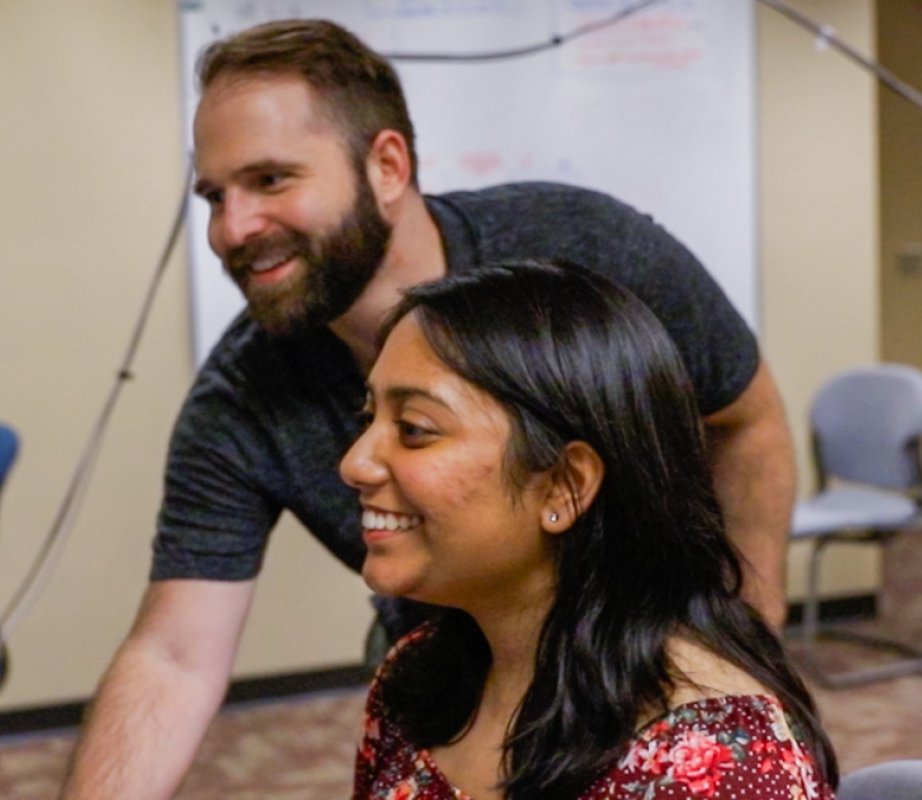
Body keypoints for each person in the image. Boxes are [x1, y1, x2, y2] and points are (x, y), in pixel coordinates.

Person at [61, 19, 797, 799]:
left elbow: (746, 421)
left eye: (271, 180)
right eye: (214, 195)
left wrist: (747, 648)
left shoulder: (588, 252)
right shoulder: (246, 398)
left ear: (386, 165)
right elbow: (174, 654)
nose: (230, 229)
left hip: (642, 674)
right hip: (458, 682)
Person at [344, 259, 836, 800]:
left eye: (414, 429)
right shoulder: (417, 674)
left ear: (564, 487)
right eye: (368, 420)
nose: (355, 463)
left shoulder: (717, 765)